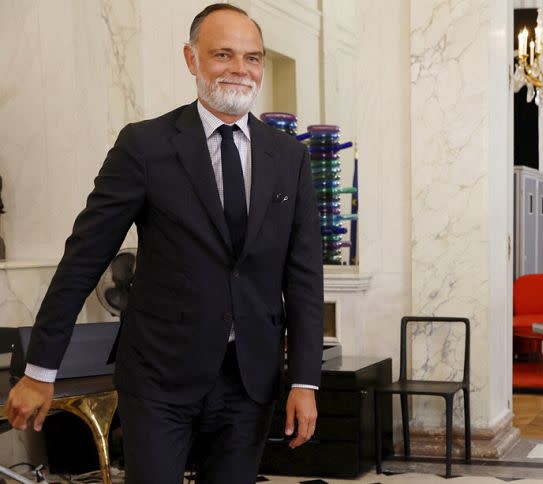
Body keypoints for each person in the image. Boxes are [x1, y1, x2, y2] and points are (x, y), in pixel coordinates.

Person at [5, 4, 324, 483]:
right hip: (158, 378)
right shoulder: (145, 146)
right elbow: (83, 260)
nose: (240, 69)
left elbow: (303, 277)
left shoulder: (290, 158)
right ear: (192, 59)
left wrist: (304, 380)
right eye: (223, 54)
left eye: (252, 58)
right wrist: (40, 370)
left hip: (249, 381)